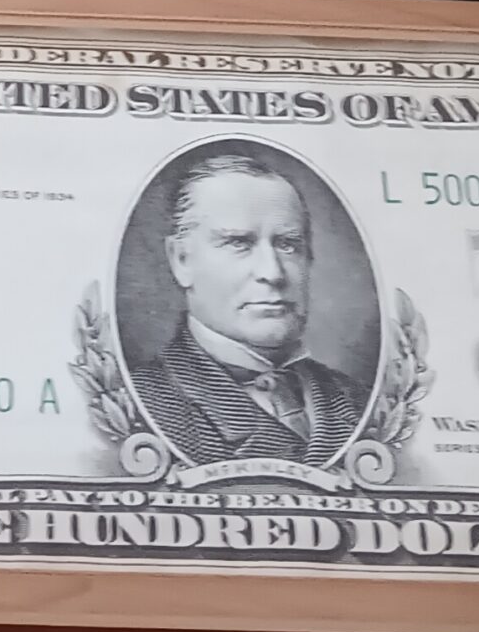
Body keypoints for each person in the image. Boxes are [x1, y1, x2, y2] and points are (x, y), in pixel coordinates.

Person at [132, 149, 369, 465]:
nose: (273, 273)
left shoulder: (360, 401)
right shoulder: (139, 404)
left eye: (288, 244)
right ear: (182, 260)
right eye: (238, 243)